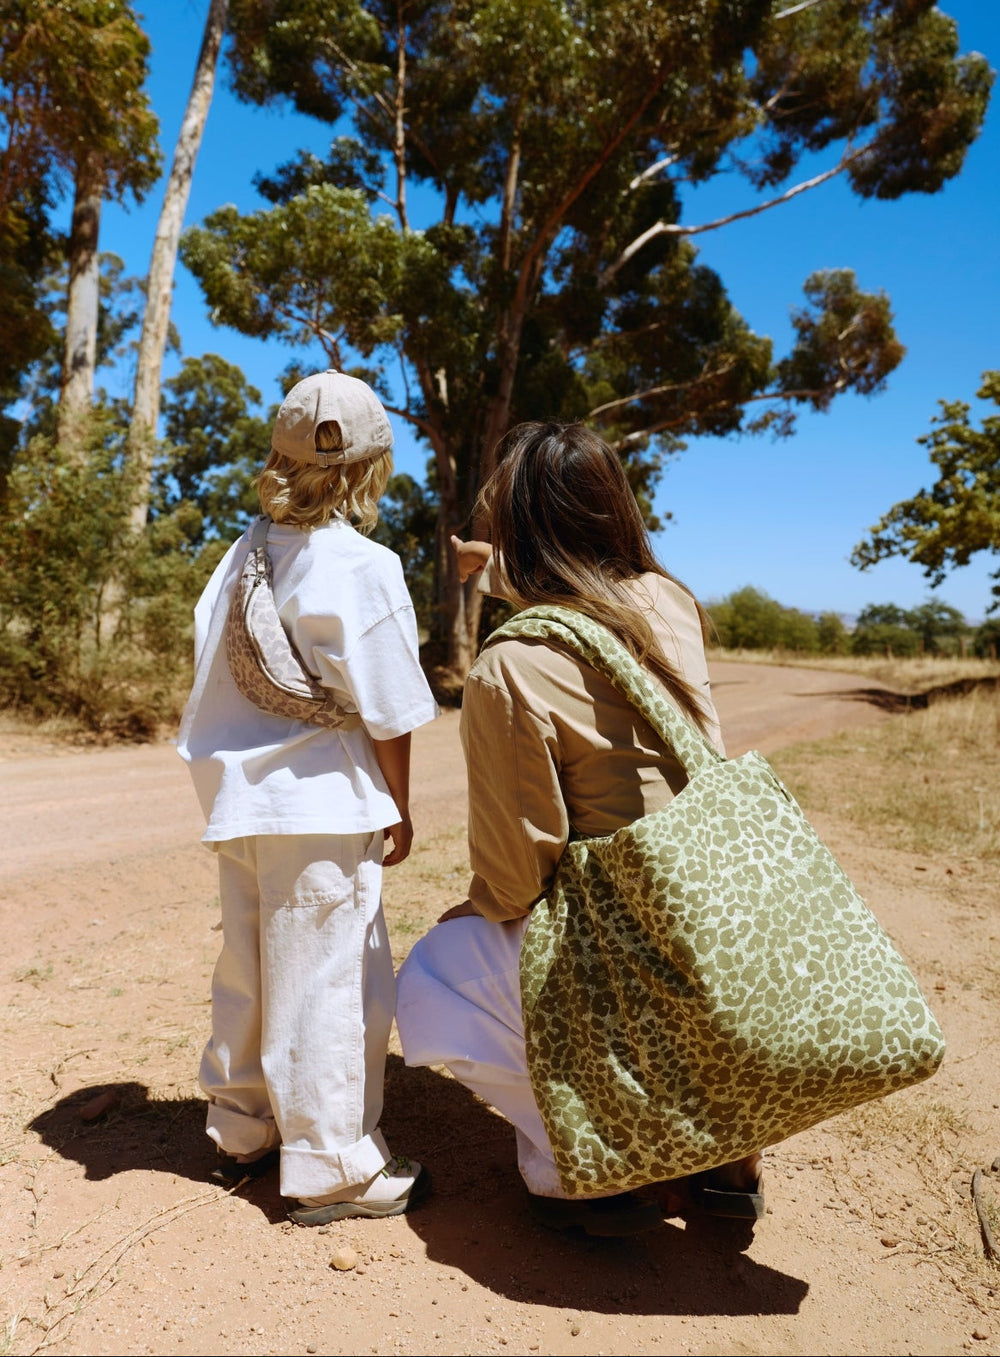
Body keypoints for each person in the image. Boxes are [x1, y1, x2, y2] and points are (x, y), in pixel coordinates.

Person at [395, 420, 762, 1238]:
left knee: (435, 973)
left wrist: (480, 908)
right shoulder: (671, 603)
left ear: (515, 528)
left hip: (629, 955)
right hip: (727, 927)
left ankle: (587, 1169)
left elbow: (521, 873)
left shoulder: (507, 667)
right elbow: (584, 608)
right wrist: (495, 570)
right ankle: (725, 1160)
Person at [177, 369, 438, 1226]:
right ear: (370, 468)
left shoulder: (238, 556)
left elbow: (210, 670)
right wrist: (398, 805)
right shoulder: (363, 565)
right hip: (323, 802)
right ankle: (332, 1167)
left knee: (248, 968)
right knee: (330, 980)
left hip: (242, 800)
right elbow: (391, 708)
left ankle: (242, 1128)